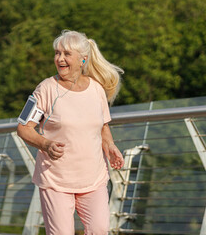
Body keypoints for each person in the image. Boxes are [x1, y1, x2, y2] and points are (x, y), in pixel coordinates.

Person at [16, 30, 125, 235]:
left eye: (66, 54)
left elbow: (103, 126)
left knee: (100, 230)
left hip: (93, 178)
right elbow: (23, 128)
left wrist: (110, 146)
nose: (60, 59)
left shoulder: (96, 89)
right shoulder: (46, 89)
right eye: (57, 53)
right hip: (56, 179)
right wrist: (46, 144)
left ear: (83, 59)